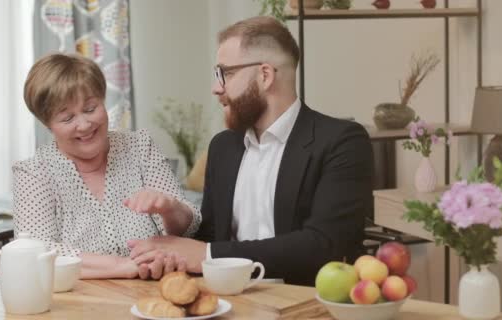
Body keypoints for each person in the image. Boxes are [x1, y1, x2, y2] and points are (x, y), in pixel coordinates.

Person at [128, 16, 373, 286]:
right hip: (225, 302)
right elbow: (210, 236)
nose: (216, 87)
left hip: (306, 307)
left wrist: (208, 254)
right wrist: (170, 251)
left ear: (265, 75)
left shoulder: (343, 141)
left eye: (226, 73)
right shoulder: (222, 147)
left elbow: (325, 244)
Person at [14, 53, 201, 280]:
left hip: (152, 294)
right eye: (67, 118)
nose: (84, 125)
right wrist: (126, 266)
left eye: (91, 108)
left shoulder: (140, 147)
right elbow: (36, 252)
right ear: (47, 124)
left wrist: (170, 207)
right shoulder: (34, 173)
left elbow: (188, 230)